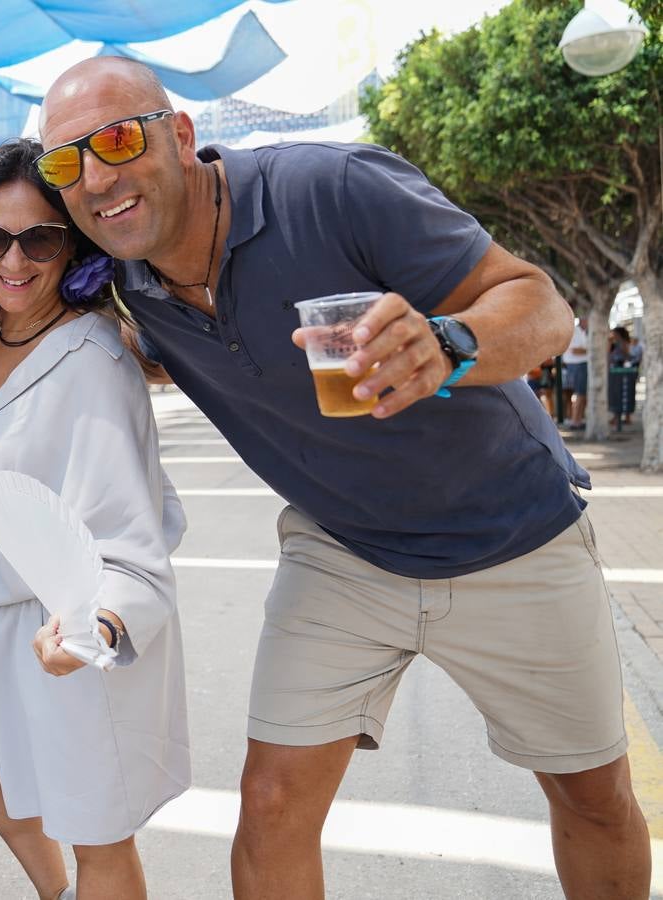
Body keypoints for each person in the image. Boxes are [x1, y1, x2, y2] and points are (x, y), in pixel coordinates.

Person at [38, 57, 651, 899]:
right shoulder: (124, 277)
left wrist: (446, 343)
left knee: (590, 797)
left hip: (512, 535)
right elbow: (20, 282)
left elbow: (540, 306)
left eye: (115, 139)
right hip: (345, 553)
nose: (96, 176)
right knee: (272, 802)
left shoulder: (332, 189)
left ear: (180, 136)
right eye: (65, 162)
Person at [0, 138, 190, 900]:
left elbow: (134, 536)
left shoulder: (90, 358)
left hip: (76, 627)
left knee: (99, 841)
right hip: (11, 629)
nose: (12, 260)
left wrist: (95, 628)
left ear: (72, 242)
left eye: (38, 238)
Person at [607, 325, 642, 428]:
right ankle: (616, 416)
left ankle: (627, 416)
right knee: (615, 394)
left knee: (627, 392)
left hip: (624, 371)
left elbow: (627, 354)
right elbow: (607, 353)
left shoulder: (624, 343)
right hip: (614, 372)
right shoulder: (612, 343)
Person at [563, 317, 590, 429]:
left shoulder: (584, 332)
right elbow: (574, 350)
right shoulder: (575, 331)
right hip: (577, 365)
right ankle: (575, 421)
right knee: (579, 394)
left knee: (582, 394)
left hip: (581, 365)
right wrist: (592, 349)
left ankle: (578, 420)